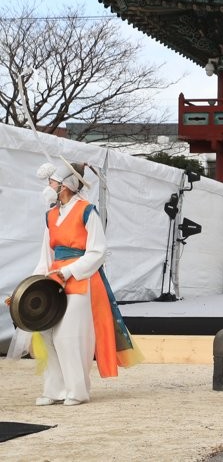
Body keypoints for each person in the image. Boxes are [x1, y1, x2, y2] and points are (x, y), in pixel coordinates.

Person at [31, 160, 142, 406]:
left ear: (66, 186)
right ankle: (54, 390)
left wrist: (69, 271)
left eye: (52, 182)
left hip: (81, 279)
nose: (48, 186)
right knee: (48, 334)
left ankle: (77, 390)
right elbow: (45, 256)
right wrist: (32, 284)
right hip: (53, 280)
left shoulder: (86, 210)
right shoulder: (50, 215)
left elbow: (97, 252)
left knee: (69, 336)